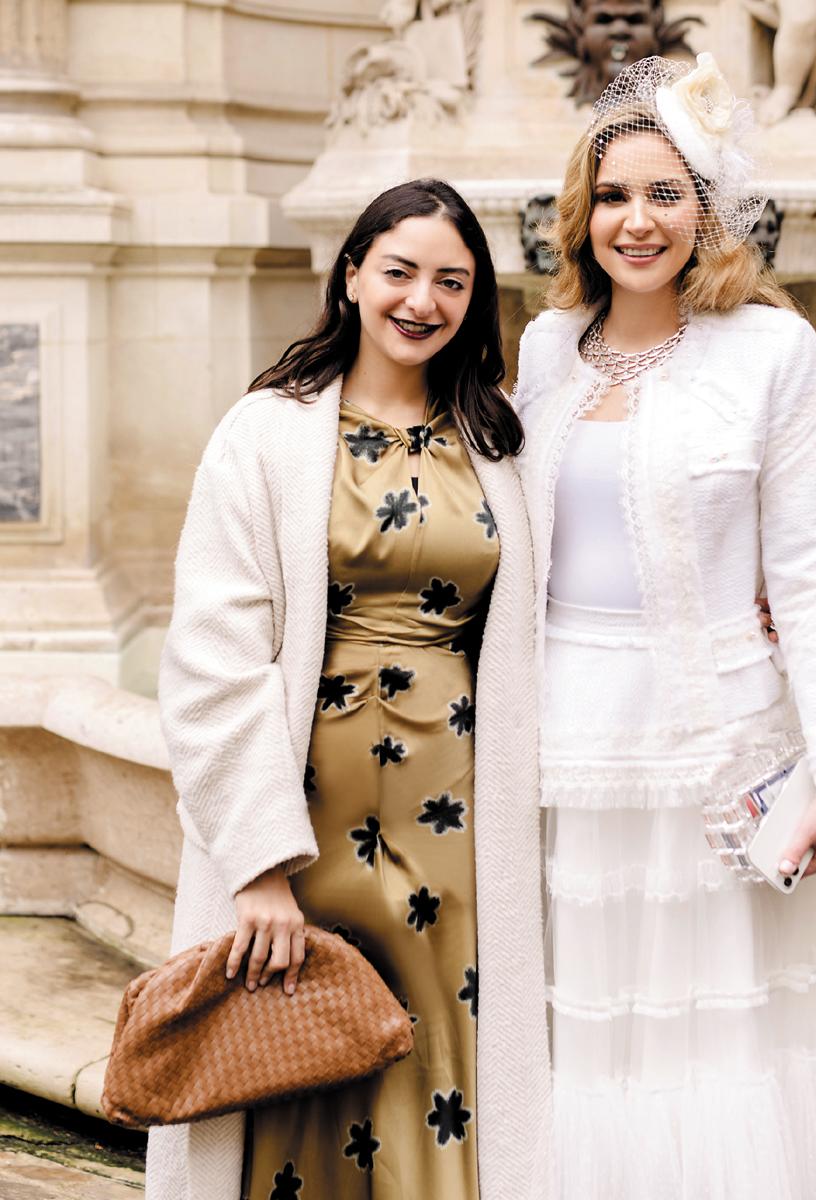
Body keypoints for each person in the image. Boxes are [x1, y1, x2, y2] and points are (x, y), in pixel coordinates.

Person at [512, 53, 816, 1200]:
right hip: (558, 750)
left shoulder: (770, 352)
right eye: (610, 196)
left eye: (663, 194)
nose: (633, 222)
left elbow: (812, 571)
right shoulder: (544, 353)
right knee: (583, 1040)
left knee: (717, 1046)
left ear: (708, 210)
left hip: (711, 753)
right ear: (578, 213)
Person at [146, 179, 551, 1200]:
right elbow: (210, 656)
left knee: (437, 1073)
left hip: (458, 831)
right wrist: (257, 865)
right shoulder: (265, 434)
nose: (424, 299)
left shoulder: (501, 443)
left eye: (452, 281)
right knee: (291, 1067)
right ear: (352, 274)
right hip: (302, 827)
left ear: (476, 298)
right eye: (402, 271)